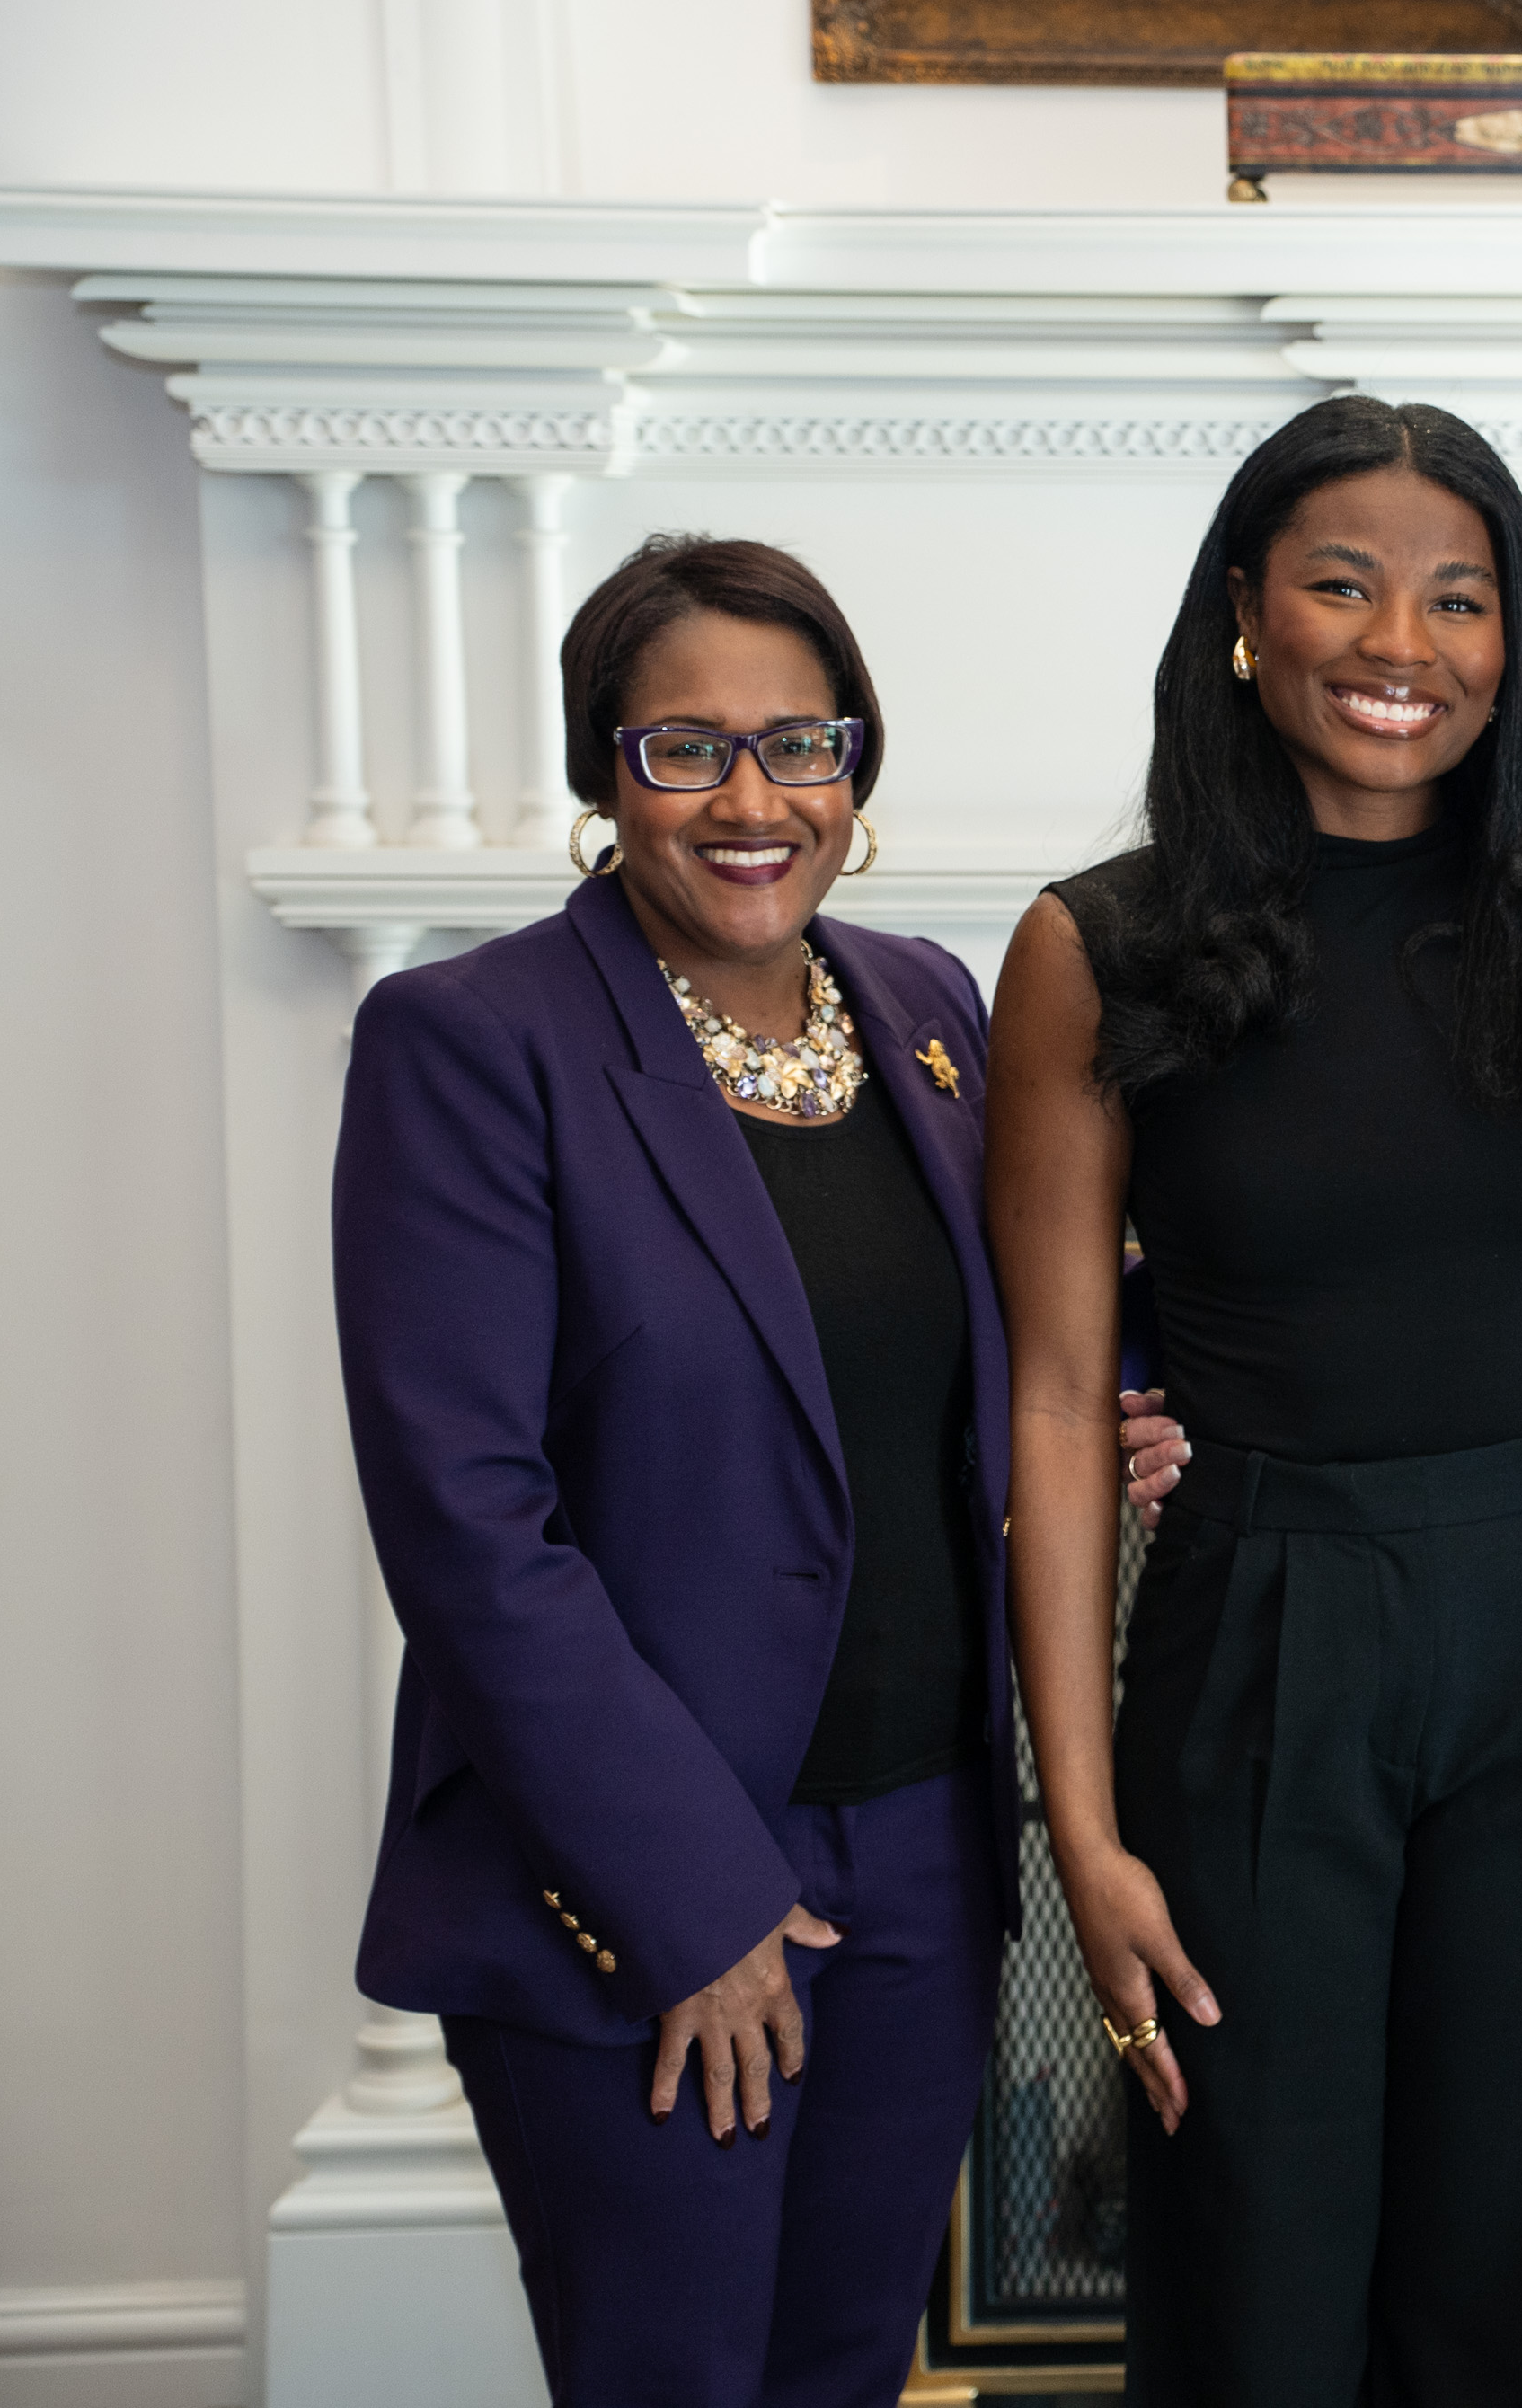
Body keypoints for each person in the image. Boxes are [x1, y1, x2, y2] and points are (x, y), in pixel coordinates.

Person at [987, 395, 1522, 2407]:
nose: (1405, 641)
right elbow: (1052, 1396)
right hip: (1257, 1629)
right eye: (1345, 584)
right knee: (1259, 2265)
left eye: (1461, 597)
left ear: (1515, 641)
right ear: (1243, 615)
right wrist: (1083, 1829)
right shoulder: (1095, 948)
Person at [333, 534, 1014, 2408]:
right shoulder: (476, 1045)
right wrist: (689, 1895)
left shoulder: (929, 1013)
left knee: (845, 2371)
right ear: (599, 772)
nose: (753, 798)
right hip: (646, 1872)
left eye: (802, 741)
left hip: (928, 1854)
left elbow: (970, 1359)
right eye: (684, 747)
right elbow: (469, 1519)